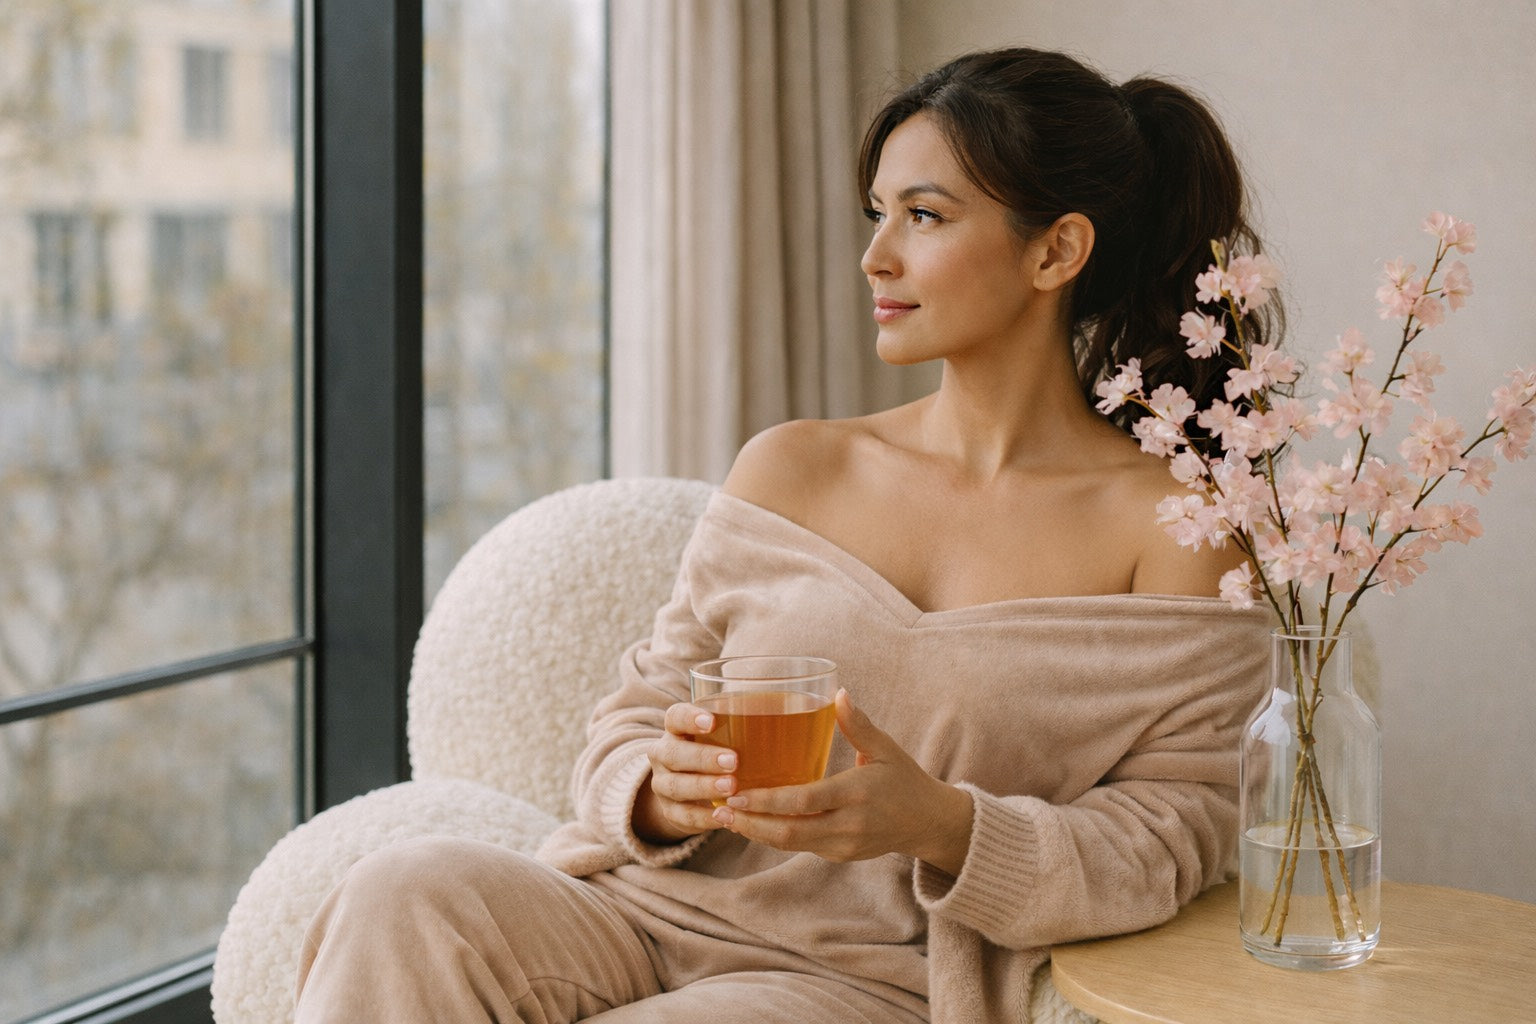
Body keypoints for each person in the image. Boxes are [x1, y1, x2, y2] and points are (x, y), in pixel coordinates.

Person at [294, 46, 1278, 1024]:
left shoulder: (1176, 527)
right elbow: (639, 712)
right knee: (401, 894)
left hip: (857, 981)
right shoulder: (794, 467)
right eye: (877, 213)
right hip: (635, 915)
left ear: (1055, 252)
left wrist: (945, 823)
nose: (876, 256)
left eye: (924, 216)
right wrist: (659, 791)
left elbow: (1175, 837)